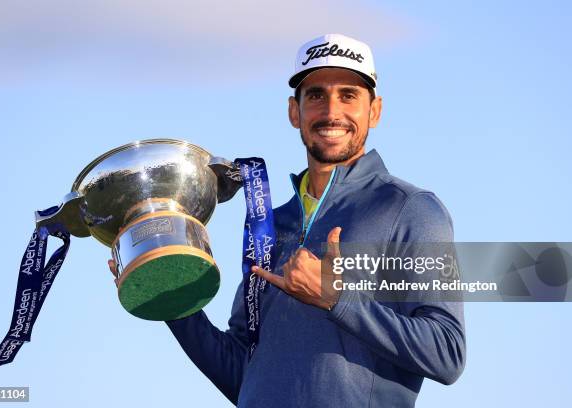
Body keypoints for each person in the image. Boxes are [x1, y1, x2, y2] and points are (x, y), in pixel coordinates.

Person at [109, 33, 466, 407]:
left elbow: (447, 352)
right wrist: (169, 294)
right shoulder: (270, 226)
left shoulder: (411, 209)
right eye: (315, 96)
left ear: (374, 110)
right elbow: (243, 377)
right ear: (294, 111)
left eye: (348, 95)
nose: (331, 112)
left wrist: (337, 299)